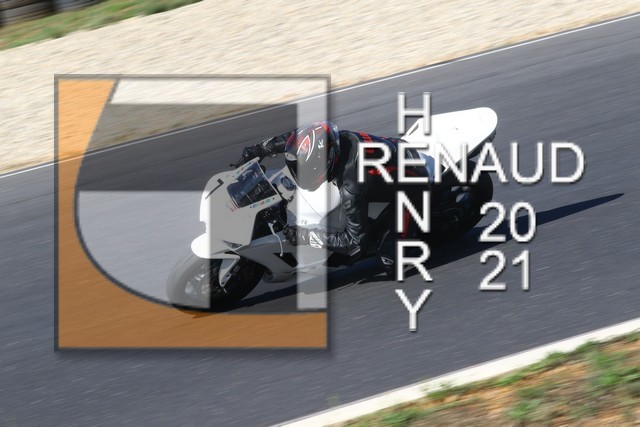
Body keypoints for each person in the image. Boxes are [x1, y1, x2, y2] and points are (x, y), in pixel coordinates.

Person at [235, 121, 429, 278]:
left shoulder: (351, 185)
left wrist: (305, 236)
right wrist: (259, 149)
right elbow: (298, 140)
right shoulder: (327, 138)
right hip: (392, 156)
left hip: (413, 187)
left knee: (392, 262)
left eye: (307, 169)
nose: (301, 174)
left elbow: (354, 244)